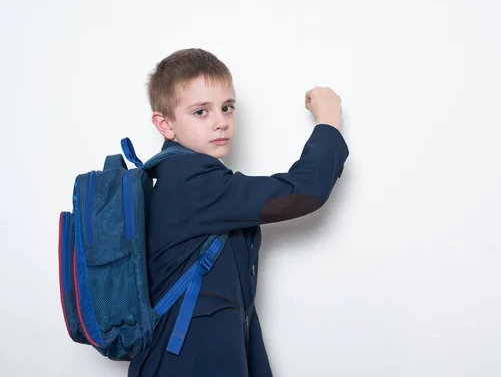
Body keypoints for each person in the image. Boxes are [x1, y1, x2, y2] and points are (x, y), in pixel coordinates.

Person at [127, 48, 349, 376]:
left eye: (227, 108)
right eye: (201, 112)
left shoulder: (185, 179)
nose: (221, 122)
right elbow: (302, 191)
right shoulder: (193, 181)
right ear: (165, 124)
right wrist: (328, 122)